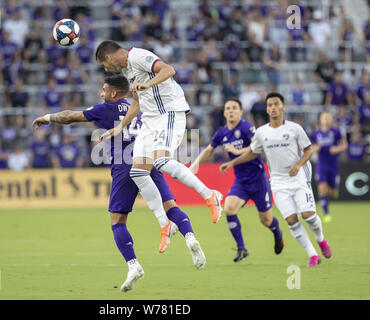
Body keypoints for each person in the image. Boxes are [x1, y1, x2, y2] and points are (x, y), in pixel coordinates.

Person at [32, 74, 205, 292]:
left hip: (124, 167)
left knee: (118, 220)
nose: (101, 93)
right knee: (170, 206)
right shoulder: (142, 106)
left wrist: (47, 117)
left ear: (113, 93)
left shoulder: (106, 109)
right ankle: (190, 237)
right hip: (148, 161)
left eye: (103, 90)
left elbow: (70, 117)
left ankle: (133, 266)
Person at [95, 41, 223, 250]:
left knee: (162, 161)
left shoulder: (137, 56)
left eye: (104, 65)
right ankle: (165, 225)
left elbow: (168, 70)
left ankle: (210, 195)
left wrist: (149, 83)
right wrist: (120, 128)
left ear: (109, 58)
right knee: (137, 172)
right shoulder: (128, 71)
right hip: (151, 120)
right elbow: (137, 102)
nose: (107, 70)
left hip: (169, 112)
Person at [220, 93, 331, 268]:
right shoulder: (262, 132)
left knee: (308, 216)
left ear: (283, 107)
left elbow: (309, 150)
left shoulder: (295, 128)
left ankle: (321, 240)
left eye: (276, 104)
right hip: (278, 183)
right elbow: (252, 152)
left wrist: (298, 165)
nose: (272, 107)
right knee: (292, 220)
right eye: (269, 105)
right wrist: (232, 162)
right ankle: (313, 255)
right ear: (266, 109)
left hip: (298, 178)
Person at [190, 98, 283, 262]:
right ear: (225, 112)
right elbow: (209, 151)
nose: (231, 111)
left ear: (240, 112)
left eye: (234, 108)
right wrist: (194, 165)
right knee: (229, 208)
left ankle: (277, 232)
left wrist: (236, 151)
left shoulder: (247, 128)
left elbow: (257, 148)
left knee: (266, 220)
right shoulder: (221, 133)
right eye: (228, 108)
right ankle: (242, 248)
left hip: (258, 180)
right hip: (241, 182)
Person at [311, 112, 348, 223]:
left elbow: (345, 145)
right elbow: (309, 147)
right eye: (324, 118)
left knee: (332, 191)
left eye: (328, 117)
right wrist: (315, 148)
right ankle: (326, 213)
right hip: (321, 165)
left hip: (333, 166)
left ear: (331, 119)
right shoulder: (316, 133)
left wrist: (337, 149)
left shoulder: (336, 132)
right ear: (320, 120)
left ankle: (333, 191)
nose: (326, 120)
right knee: (322, 189)